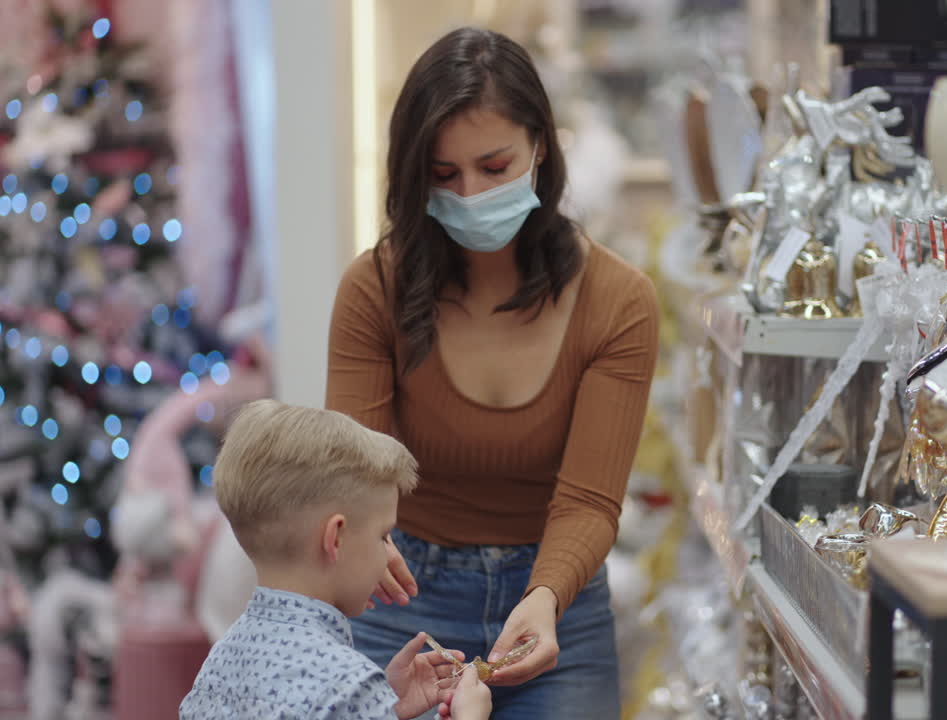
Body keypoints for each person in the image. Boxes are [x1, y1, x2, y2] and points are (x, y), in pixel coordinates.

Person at [325, 26, 659, 719]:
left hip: (555, 608)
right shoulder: (373, 291)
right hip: (399, 607)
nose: (470, 194)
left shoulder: (618, 302)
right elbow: (355, 476)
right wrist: (365, 540)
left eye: (494, 166)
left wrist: (545, 596)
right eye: (443, 176)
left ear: (541, 146)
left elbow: (591, 500)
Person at [179, 400, 492, 720]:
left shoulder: (221, 658)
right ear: (336, 538)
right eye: (383, 536)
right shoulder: (348, 687)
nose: (388, 553)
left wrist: (384, 704)